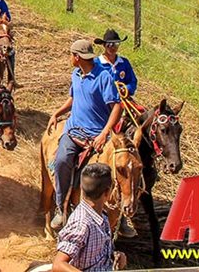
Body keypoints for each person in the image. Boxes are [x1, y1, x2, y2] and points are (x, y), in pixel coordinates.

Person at [46, 39, 122, 231]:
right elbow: (73, 98)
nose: (70, 58)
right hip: (73, 132)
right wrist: (57, 113)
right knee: (62, 161)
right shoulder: (76, 74)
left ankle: (120, 215)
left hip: (96, 136)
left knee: (117, 169)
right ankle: (61, 207)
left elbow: (116, 107)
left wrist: (104, 133)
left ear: (77, 57)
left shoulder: (103, 77)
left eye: (71, 55)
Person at [94, 28, 138, 239]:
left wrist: (126, 89)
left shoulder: (124, 63)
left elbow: (132, 81)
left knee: (138, 134)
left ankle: (126, 211)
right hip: (104, 109)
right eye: (110, 44)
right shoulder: (96, 64)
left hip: (123, 105)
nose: (113, 48)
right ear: (104, 45)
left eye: (116, 44)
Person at [52, 163, 127, 272]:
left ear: (82, 188)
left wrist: (113, 256)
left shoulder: (103, 217)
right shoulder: (81, 224)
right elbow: (58, 264)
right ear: (107, 193)